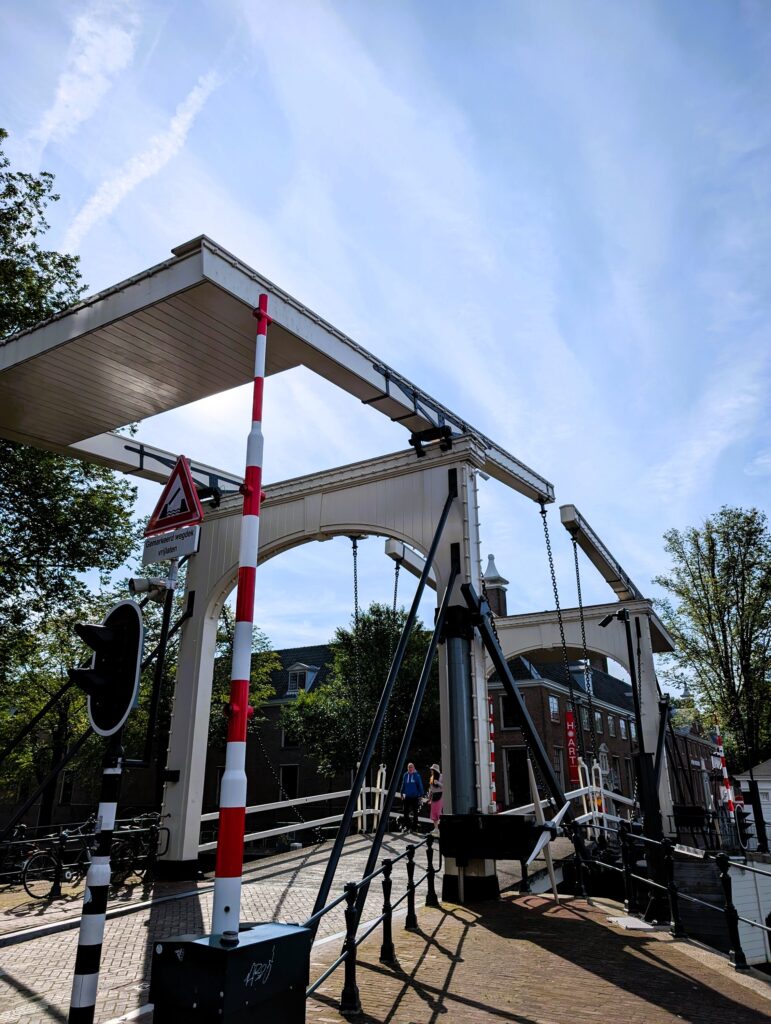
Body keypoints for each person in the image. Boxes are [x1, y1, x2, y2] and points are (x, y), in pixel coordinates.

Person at [401, 762, 424, 831]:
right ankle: (407, 826)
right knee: (405, 811)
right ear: (407, 768)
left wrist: (421, 795)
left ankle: (414, 827)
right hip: (407, 796)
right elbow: (403, 784)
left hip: (414, 797)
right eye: (409, 767)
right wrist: (401, 793)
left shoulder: (417, 776)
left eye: (411, 767)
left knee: (415, 812)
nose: (410, 768)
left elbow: (420, 785)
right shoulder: (405, 775)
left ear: (414, 768)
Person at [427, 763, 443, 828]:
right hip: (434, 797)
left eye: (432, 770)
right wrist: (429, 798)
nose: (431, 771)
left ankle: (441, 828)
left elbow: (445, 787)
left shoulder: (442, 776)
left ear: (435, 771)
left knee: (438, 812)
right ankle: (436, 829)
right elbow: (431, 789)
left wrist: (438, 783)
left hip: (440, 796)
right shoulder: (431, 778)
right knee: (433, 814)